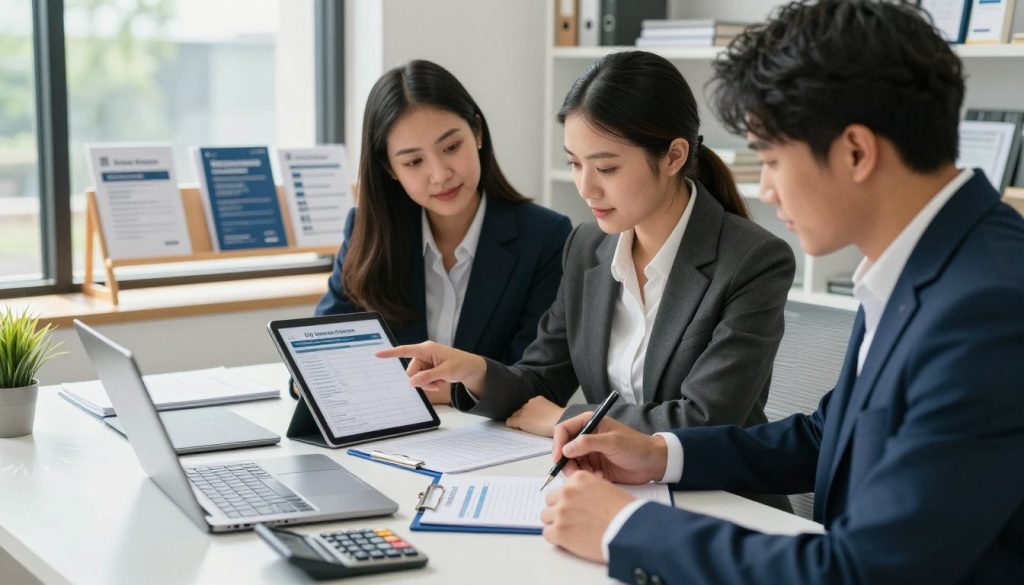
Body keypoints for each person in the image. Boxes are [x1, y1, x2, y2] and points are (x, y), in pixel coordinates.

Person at [538, 1, 1024, 583]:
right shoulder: (923, 259)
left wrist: (623, 531)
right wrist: (660, 454)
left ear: (856, 151)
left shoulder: (989, 306)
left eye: (770, 159)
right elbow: (828, 435)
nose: (764, 188)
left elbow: (868, 571)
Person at [379, 51, 796, 439]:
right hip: (606, 482)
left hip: (713, 495)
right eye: (574, 164)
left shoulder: (753, 261)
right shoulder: (588, 245)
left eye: (606, 168)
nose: (585, 187)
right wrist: (474, 372)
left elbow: (703, 420)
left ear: (673, 157)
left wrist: (568, 419)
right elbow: (543, 379)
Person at [315, 60, 572, 404]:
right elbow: (319, 359)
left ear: (477, 133)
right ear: (389, 168)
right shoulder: (367, 230)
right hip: (391, 438)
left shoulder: (546, 236)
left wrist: (401, 391)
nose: (440, 174)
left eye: (451, 147)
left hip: (497, 443)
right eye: (413, 162)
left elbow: (534, 380)